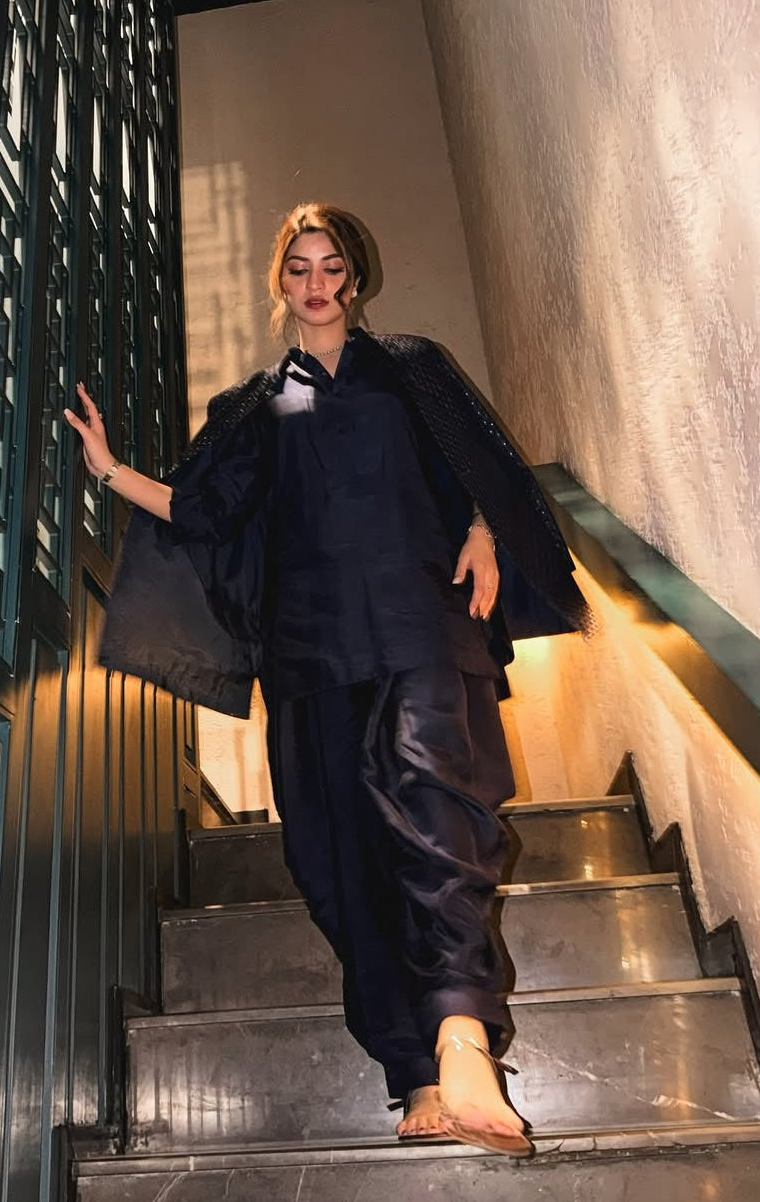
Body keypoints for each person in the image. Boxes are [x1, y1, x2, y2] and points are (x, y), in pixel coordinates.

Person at [64, 202, 590, 1158]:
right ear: (283, 283)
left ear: (355, 275)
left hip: (422, 622)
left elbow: (478, 470)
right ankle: (415, 1071)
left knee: (439, 809)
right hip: (307, 655)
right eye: (299, 267)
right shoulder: (257, 406)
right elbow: (201, 511)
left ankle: (463, 1032)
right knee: (338, 857)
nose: (316, 282)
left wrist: (480, 532)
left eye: (331, 264)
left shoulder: (413, 369)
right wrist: (109, 470)